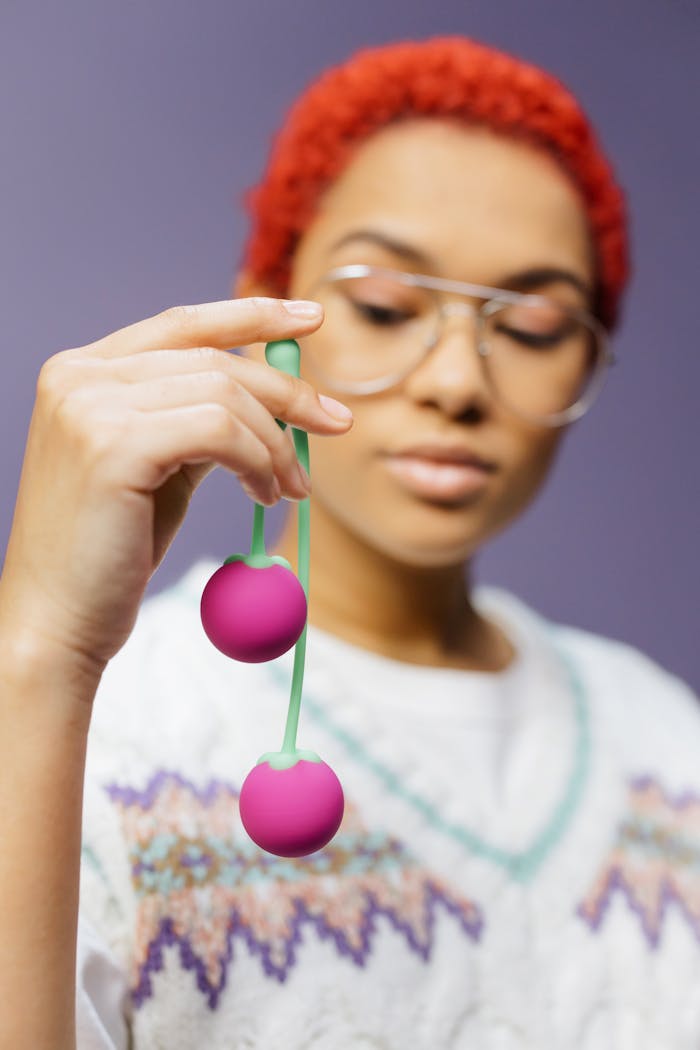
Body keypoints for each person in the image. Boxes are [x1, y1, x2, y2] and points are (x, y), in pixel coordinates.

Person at [1, 34, 698, 1050]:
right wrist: (42, 654)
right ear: (258, 318)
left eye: (537, 325)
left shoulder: (666, 744)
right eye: (382, 305)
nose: (457, 381)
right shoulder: (97, 729)